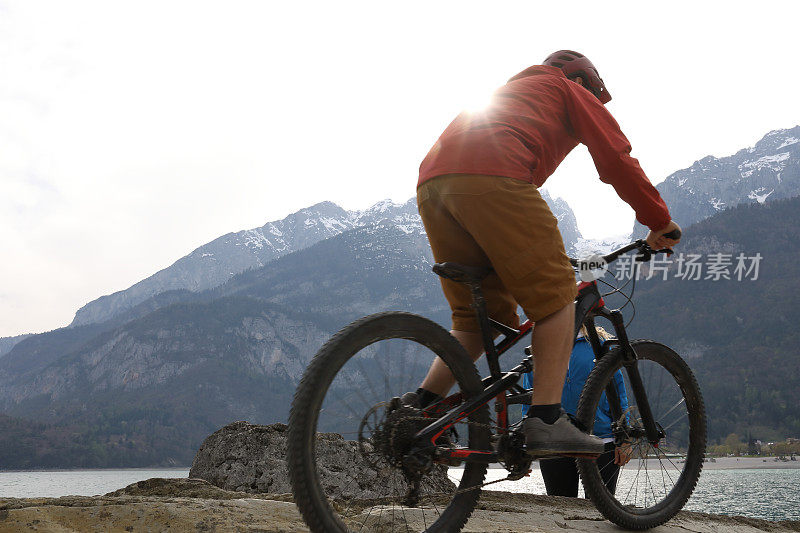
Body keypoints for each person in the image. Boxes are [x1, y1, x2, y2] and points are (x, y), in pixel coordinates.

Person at [408, 50, 681, 456]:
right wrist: (658, 220)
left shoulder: (513, 90)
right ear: (585, 81)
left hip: (434, 186)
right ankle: (547, 420)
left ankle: (420, 412)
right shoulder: (568, 88)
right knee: (559, 299)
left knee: (480, 318)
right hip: (496, 177)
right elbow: (615, 158)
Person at [523, 326, 632, 496]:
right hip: (555, 442)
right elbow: (530, 398)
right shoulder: (542, 347)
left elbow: (618, 393)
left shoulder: (598, 345)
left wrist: (624, 438)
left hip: (601, 440)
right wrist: (526, 447)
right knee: (561, 509)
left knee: (600, 510)